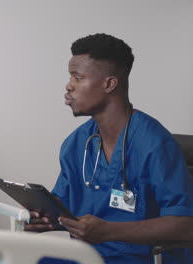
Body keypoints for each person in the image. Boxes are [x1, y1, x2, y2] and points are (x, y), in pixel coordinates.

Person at [25, 33, 193, 263]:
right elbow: (64, 206)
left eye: (77, 77)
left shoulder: (154, 144)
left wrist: (108, 231)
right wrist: (47, 219)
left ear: (109, 84)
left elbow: (186, 225)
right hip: (88, 256)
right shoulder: (77, 143)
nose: (68, 85)